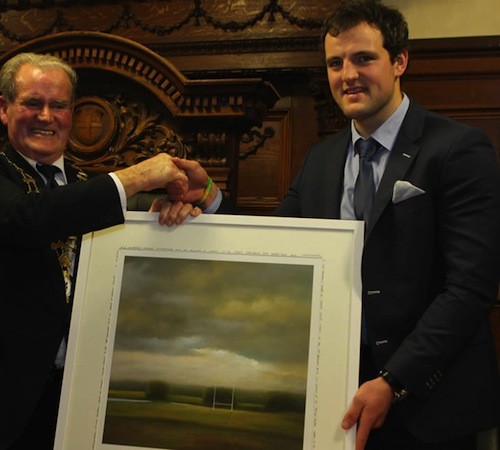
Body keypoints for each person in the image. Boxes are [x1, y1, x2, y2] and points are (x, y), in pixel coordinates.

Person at [155, 1, 500, 449]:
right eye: (335, 63)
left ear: (400, 61)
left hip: (429, 404)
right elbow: (276, 250)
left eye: (363, 58)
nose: (347, 75)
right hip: (336, 396)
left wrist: (394, 380)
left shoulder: (457, 148)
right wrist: (210, 199)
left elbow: (470, 288)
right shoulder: (321, 158)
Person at [0, 52, 190, 450]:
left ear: (72, 113)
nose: (45, 116)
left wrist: (181, 207)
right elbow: (24, 218)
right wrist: (136, 176)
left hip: (72, 401)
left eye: (58, 105)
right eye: (32, 102)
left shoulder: (91, 189)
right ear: (4, 109)